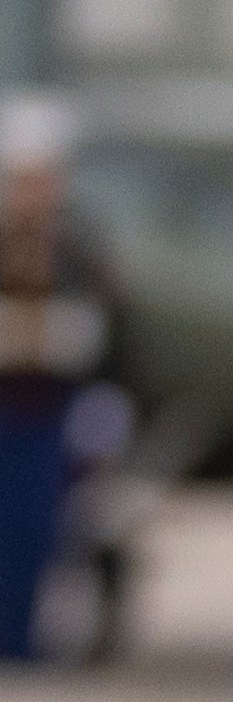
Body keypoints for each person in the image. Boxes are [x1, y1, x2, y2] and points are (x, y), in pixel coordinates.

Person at [0, 94, 120, 664]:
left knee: (37, 534)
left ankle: (23, 641)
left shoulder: (76, 245)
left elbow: (111, 323)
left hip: (47, 409)